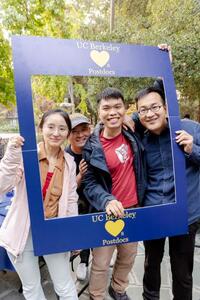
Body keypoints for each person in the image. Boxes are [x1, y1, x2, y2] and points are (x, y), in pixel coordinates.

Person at [0, 109, 79, 300]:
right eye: (50, 126)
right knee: (32, 288)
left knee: (65, 286)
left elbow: (70, 200)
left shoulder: (69, 161)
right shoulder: (26, 154)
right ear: (41, 128)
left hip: (53, 229)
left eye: (62, 128)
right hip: (22, 231)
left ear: (67, 133)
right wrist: (11, 156)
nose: (56, 133)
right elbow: (3, 185)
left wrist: (74, 233)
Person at [134, 85, 200, 300]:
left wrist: (193, 150)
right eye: (143, 110)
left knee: (181, 272)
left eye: (155, 107)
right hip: (153, 211)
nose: (150, 113)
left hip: (185, 213)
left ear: (166, 107)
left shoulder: (190, 128)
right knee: (151, 265)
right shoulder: (140, 138)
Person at [83, 87, 146, 300]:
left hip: (133, 211)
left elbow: (152, 104)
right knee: (100, 263)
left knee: (128, 258)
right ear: (99, 112)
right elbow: (90, 184)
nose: (113, 112)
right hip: (106, 213)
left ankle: (118, 289)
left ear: (125, 109)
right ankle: (97, 295)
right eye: (106, 108)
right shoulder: (92, 146)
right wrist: (107, 200)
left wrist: (165, 59)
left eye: (117, 107)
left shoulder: (133, 134)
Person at [65, 112, 91, 281]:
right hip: (77, 202)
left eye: (84, 129)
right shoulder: (65, 156)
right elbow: (66, 191)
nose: (80, 134)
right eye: (75, 131)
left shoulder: (94, 148)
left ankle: (103, 252)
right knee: (84, 230)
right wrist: (80, 176)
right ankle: (83, 260)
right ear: (68, 135)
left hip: (96, 199)